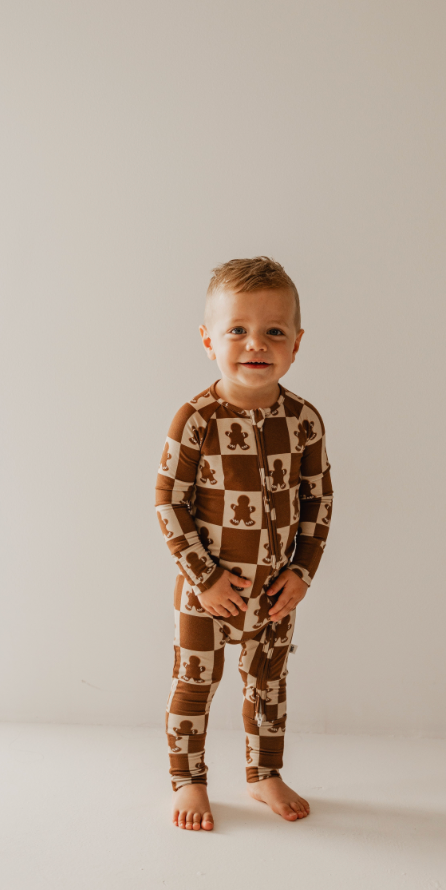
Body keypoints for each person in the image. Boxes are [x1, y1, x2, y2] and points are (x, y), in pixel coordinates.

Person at [156, 256, 333, 831]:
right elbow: (169, 503)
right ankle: (189, 780)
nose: (255, 343)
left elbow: (318, 503)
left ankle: (263, 775)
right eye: (237, 329)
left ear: (296, 343)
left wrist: (302, 573)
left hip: (275, 592)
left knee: (269, 686)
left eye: (273, 331)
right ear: (209, 339)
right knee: (194, 684)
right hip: (209, 594)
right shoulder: (196, 420)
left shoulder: (304, 421)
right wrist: (204, 578)